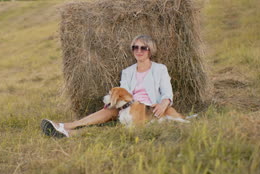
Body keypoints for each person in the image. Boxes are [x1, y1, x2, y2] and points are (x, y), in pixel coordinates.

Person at [41, 35, 174, 138]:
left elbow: (167, 93)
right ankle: (66, 129)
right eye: (135, 47)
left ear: (150, 51)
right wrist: (113, 103)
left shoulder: (160, 69)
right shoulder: (127, 72)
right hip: (128, 107)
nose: (139, 51)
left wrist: (163, 104)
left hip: (146, 109)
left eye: (143, 48)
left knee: (113, 121)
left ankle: (67, 129)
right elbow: (124, 93)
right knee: (110, 111)